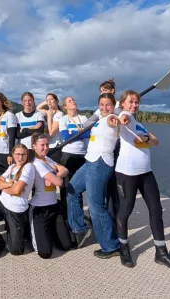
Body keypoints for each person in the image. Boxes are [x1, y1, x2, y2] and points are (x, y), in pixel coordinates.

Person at [113, 90, 170, 271]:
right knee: (126, 210)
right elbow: (123, 118)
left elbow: (156, 141)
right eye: (131, 102)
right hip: (126, 174)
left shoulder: (139, 124)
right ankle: (123, 247)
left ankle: (161, 252)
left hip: (146, 173)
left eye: (137, 102)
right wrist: (123, 117)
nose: (134, 105)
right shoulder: (126, 116)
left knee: (156, 210)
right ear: (123, 103)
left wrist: (146, 137)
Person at [65, 93, 121, 257]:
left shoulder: (112, 118)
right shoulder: (98, 120)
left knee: (96, 207)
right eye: (101, 105)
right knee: (71, 190)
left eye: (108, 105)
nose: (105, 108)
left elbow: (118, 118)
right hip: (89, 161)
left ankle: (111, 246)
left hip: (100, 163)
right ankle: (79, 229)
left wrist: (118, 117)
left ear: (113, 106)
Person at [0, 144, 35, 258]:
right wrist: (10, 184)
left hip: (16, 209)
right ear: (13, 155)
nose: (20, 157)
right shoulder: (12, 167)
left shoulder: (28, 167)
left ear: (27, 155)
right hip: (2, 203)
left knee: (16, 250)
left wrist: (5, 187)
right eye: (17, 154)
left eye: (23, 154)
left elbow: (17, 190)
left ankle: (23, 229)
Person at [29, 133, 73, 258]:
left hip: (54, 206)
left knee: (66, 245)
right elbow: (59, 182)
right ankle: (32, 232)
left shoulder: (47, 159)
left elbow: (65, 170)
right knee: (45, 253)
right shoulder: (37, 163)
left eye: (47, 144)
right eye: (42, 145)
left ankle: (49, 231)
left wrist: (55, 176)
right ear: (34, 146)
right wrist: (56, 177)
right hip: (39, 209)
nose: (45, 147)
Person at [57, 96, 89, 233]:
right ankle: (67, 219)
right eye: (69, 101)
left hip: (83, 156)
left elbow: (90, 132)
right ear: (65, 107)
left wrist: (74, 134)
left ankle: (78, 219)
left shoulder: (84, 118)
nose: (73, 101)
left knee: (79, 190)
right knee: (67, 189)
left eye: (73, 100)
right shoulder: (63, 119)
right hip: (68, 156)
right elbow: (65, 137)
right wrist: (82, 133)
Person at [15, 92, 46, 160]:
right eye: (25, 100)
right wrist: (34, 129)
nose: (27, 102)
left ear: (33, 101)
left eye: (29, 100)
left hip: (36, 148)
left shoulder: (39, 115)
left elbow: (40, 132)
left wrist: (24, 130)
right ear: (22, 102)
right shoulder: (17, 115)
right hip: (22, 149)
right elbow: (17, 135)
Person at [36, 93, 64, 163]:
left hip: (55, 146)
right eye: (48, 100)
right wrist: (47, 102)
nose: (49, 101)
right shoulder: (49, 112)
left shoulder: (59, 114)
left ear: (57, 101)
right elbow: (38, 108)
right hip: (47, 146)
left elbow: (51, 133)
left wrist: (49, 117)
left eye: (52, 99)